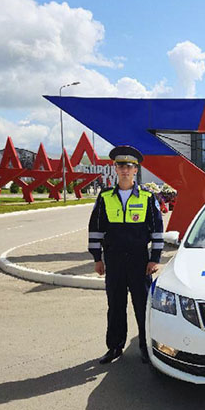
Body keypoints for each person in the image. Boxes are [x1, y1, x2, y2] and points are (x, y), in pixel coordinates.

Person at [88, 145, 164, 364]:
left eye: (129, 166)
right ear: (115, 169)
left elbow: (157, 230)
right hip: (114, 260)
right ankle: (114, 347)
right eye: (120, 166)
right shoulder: (104, 197)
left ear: (135, 170)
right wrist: (97, 258)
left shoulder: (148, 198)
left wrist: (154, 259)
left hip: (140, 261)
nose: (124, 170)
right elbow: (95, 228)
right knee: (115, 305)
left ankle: (145, 348)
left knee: (143, 306)